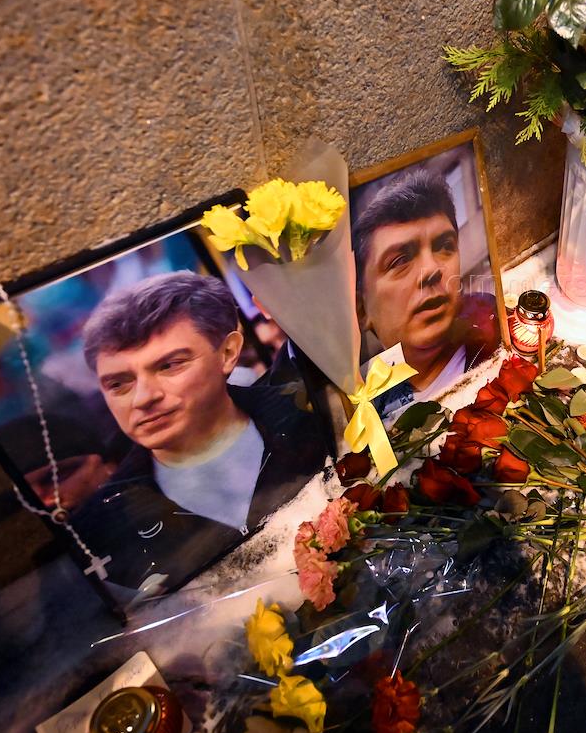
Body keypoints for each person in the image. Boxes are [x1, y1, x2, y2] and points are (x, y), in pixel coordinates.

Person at [71, 271, 326, 595]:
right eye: (119, 384)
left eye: (169, 365)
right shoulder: (99, 528)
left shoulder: (313, 415)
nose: (143, 398)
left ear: (228, 352)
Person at [352, 168, 499, 406]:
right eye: (399, 261)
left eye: (445, 246)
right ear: (361, 311)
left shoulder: (503, 337)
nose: (431, 270)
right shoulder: (366, 412)